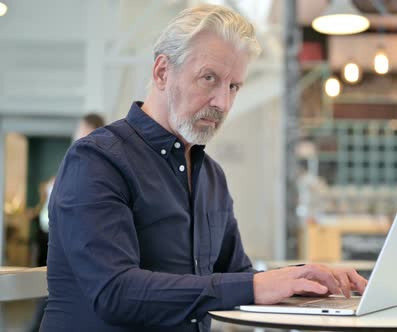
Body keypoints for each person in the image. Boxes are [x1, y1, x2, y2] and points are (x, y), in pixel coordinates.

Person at [40, 4, 367, 332]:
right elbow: (115, 292)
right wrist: (257, 286)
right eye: (209, 78)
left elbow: (236, 278)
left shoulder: (210, 176)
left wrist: (303, 279)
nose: (222, 103)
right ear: (162, 72)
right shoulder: (97, 161)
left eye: (233, 87)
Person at [27, 113, 105, 332]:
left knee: (53, 298)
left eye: (82, 131)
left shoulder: (94, 163)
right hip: (53, 237)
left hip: (73, 243)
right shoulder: (75, 160)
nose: (77, 137)